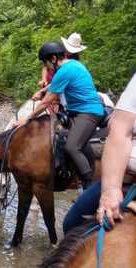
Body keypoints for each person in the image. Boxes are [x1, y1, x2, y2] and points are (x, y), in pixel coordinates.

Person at [14, 41, 104, 189]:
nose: (47, 67)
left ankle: (88, 184)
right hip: (77, 111)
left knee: (72, 147)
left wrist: (27, 119)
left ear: (54, 58)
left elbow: (46, 103)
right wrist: (43, 91)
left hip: (88, 112)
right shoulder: (73, 64)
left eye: (46, 62)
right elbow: (54, 84)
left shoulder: (64, 71)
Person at [62, 74, 136, 234]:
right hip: (129, 178)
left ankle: (86, 180)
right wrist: (111, 189)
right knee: (72, 224)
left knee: (72, 147)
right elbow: (121, 129)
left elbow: (51, 95)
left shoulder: (67, 70)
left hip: (89, 113)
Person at [33, 32, 87, 102]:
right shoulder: (58, 51)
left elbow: (65, 77)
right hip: (52, 77)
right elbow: (45, 66)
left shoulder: (74, 60)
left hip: (60, 79)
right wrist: (44, 80)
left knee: (55, 99)